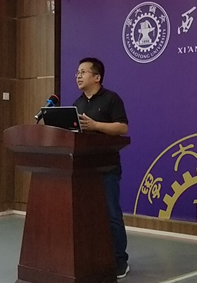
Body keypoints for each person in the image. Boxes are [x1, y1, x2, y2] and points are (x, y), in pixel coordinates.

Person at [73, 57, 130, 279]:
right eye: (77, 72)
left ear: (96, 77)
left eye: (83, 72)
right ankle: (94, 257)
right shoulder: (77, 104)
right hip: (83, 170)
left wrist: (96, 125)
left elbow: (122, 127)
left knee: (111, 215)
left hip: (107, 168)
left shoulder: (111, 99)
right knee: (87, 216)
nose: (78, 76)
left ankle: (120, 261)